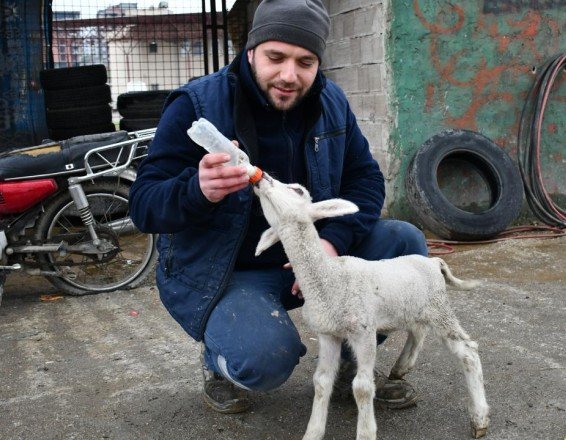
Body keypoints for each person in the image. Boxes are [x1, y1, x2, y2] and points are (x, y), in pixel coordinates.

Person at [129, 0, 428, 414]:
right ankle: (218, 361)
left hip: (316, 261)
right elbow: (143, 206)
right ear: (251, 50)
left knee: (404, 243)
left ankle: (349, 365)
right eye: (276, 57)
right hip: (232, 273)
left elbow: (365, 180)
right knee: (264, 361)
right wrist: (198, 189)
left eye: (305, 62)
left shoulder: (331, 101)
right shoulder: (197, 105)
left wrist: (332, 243)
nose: (290, 75)